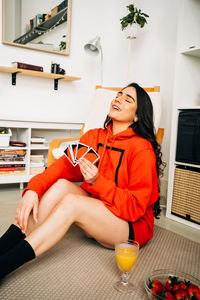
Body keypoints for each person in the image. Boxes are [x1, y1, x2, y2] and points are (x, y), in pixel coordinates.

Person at [0, 83, 165, 280]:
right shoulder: (94, 137)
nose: (119, 99)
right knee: (61, 186)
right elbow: (62, 167)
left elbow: (135, 208)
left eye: (127, 99)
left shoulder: (141, 149)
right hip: (102, 207)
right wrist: (33, 190)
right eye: (118, 95)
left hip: (131, 225)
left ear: (137, 116)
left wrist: (98, 181)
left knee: (72, 203)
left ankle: (3, 267)